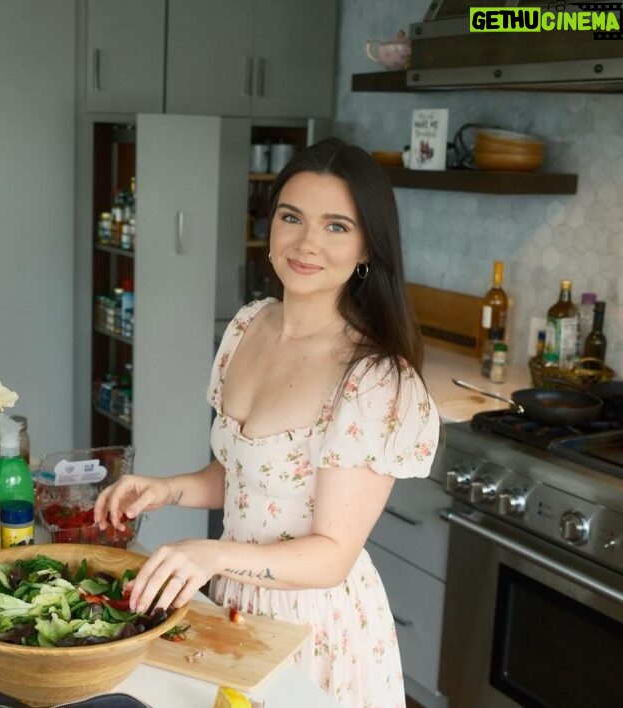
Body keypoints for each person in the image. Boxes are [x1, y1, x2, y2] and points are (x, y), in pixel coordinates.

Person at [94, 138, 440, 707]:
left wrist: (213, 555)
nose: (307, 243)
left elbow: (332, 556)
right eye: (291, 217)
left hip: (315, 627)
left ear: (367, 249)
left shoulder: (375, 378)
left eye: (336, 227)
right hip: (235, 600)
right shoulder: (250, 325)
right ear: (270, 226)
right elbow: (243, 476)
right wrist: (168, 489)